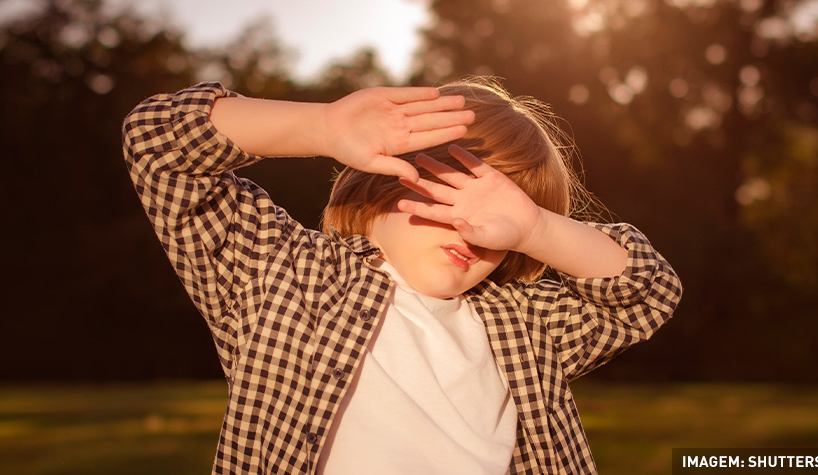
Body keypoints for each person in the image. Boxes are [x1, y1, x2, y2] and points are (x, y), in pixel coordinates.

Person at [122, 78, 682, 475]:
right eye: (451, 194)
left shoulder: (524, 323)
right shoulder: (284, 276)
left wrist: (537, 229)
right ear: (383, 180)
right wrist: (318, 126)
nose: (475, 230)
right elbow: (156, 144)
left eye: (499, 223)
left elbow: (644, 296)